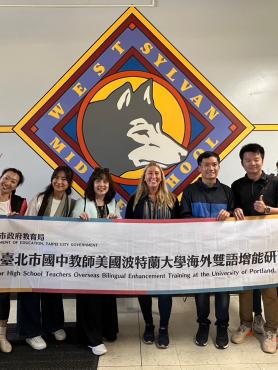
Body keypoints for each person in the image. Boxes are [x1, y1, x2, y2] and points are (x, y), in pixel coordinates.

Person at [17, 165, 75, 350]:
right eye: (56, 177)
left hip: (55, 254)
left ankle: (54, 325)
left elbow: (74, 232)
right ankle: (31, 332)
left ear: (69, 183)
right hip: (33, 251)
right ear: (52, 179)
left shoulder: (72, 204)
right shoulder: (40, 199)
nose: (59, 182)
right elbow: (27, 223)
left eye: (64, 179)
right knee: (31, 293)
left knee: (53, 290)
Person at [180, 151, 233, 349]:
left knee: (222, 292)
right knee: (201, 292)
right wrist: (202, 224)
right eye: (206, 165)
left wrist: (230, 213)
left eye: (214, 164)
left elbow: (237, 218)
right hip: (198, 250)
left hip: (222, 251)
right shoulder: (190, 191)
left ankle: (222, 327)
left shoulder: (227, 192)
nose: (211, 168)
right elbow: (183, 217)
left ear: (219, 166)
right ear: (199, 168)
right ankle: (203, 325)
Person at [125, 161, 179, 349]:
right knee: (144, 292)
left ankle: (163, 328)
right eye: (150, 173)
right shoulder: (135, 199)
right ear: (144, 177)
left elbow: (182, 227)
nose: (153, 177)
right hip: (142, 254)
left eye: (157, 173)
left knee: (165, 294)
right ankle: (149, 325)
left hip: (166, 255)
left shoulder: (172, 199)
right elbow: (128, 228)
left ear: (162, 177)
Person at [231, 143, 278, 354]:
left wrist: (267, 209)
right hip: (245, 244)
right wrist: (236, 209)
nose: (252, 163)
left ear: (262, 160)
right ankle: (246, 324)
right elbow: (231, 208)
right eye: (248, 160)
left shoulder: (275, 182)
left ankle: (271, 330)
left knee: (269, 288)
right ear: (242, 163)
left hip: (270, 244)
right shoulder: (236, 185)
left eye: (256, 159)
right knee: (245, 287)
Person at [71, 167, 120, 356]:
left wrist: (116, 220)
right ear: (92, 183)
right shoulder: (82, 203)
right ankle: (92, 338)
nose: (102, 185)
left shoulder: (113, 203)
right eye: (98, 181)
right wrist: (79, 219)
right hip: (87, 259)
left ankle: (107, 329)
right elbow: (69, 226)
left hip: (106, 258)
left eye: (105, 182)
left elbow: (122, 229)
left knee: (106, 296)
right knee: (90, 298)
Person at [0, 168, 27, 353]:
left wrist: (16, 222)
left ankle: (1, 335)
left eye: (13, 181)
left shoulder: (20, 203)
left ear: (16, 186)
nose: (8, 182)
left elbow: (25, 229)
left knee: (3, 296)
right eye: (6, 178)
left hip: (6, 255)